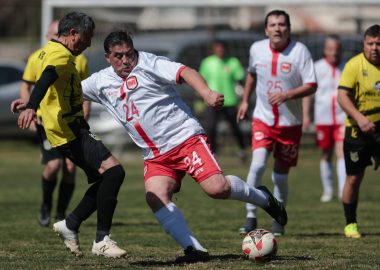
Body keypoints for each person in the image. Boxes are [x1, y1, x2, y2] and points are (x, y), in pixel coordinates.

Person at [80, 30, 287, 264]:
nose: (126, 60)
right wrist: (34, 104)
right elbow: (72, 92)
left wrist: (207, 93)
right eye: (119, 56)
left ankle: (264, 198)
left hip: (185, 138)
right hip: (155, 155)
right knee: (155, 196)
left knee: (216, 188)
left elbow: (185, 72)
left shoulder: (150, 63)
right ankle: (194, 250)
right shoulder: (100, 80)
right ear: (108, 57)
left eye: (130, 54)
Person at [11, 12, 127, 258]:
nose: (88, 43)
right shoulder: (61, 55)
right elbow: (48, 76)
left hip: (68, 130)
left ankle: (71, 224)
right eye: (87, 37)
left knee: (105, 179)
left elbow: (50, 86)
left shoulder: (51, 52)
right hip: (69, 131)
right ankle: (100, 239)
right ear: (73, 34)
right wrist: (32, 105)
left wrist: (31, 103)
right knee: (115, 172)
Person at [236, 10, 317, 236]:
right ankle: (250, 214)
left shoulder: (300, 51)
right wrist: (245, 101)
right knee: (257, 164)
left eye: (282, 24)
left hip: (290, 123)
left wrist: (287, 95)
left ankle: (278, 217)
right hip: (263, 119)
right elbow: (251, 74)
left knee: (280, 175)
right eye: (272, 24)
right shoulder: (256, 49)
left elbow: (312, 85)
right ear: (266, 29)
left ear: (288, 28)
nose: (277, 28)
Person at [19, 19, 91, 226]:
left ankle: (60, 214)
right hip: (47, 121)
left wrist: (85, 111)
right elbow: (29, 85)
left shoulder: (79, 59)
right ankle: (45, 206)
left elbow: (84, 89)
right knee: (53, 165)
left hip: (70, 121)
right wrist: (29, 108)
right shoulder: (38, 57)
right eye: (52, 35)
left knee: (70, 167)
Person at [337, 24, 380, 239]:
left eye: (378, 44)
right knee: (354, 178)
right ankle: (350, 223)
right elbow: (342, 97)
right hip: (357, 131)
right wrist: (360, 119)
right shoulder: (354, 65)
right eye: (370, 43)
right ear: (364, 44)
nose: (374, 48)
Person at [304, 35, 346, 203]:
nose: (334, 52)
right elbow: (308, 94)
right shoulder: (316, 67)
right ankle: (328, 190)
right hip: (323, 117)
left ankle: (343, 190)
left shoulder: (347, 67)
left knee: (341, 152)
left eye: (337, 49)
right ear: (325, 49)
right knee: (326, 154)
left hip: (343, 117)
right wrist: (306, 115)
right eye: (331, 48)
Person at [199, 40, 247, 159]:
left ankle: (242, 150)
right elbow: (201, 81)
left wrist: (244, 97)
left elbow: (241, 79)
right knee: (211, 127)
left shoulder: (233, 62)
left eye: (222, 48)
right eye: (218, 48)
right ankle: (213, 153)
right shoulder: (207, 62)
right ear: (214, 49)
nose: (220, 50)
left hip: (229, 100)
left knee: (235, 127)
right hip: (212, 102)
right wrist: (203, 95)